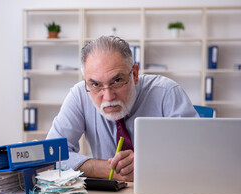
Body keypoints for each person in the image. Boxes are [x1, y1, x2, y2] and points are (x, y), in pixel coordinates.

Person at [47, 35, 198, 182]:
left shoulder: (166, 93)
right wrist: (109, 170)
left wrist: (150, 164)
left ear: (135, 74)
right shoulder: (80, 95)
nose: (108, 97)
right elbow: (51, 155)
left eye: (117, 81)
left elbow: (196, 155)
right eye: (95, 85)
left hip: (164, 191)